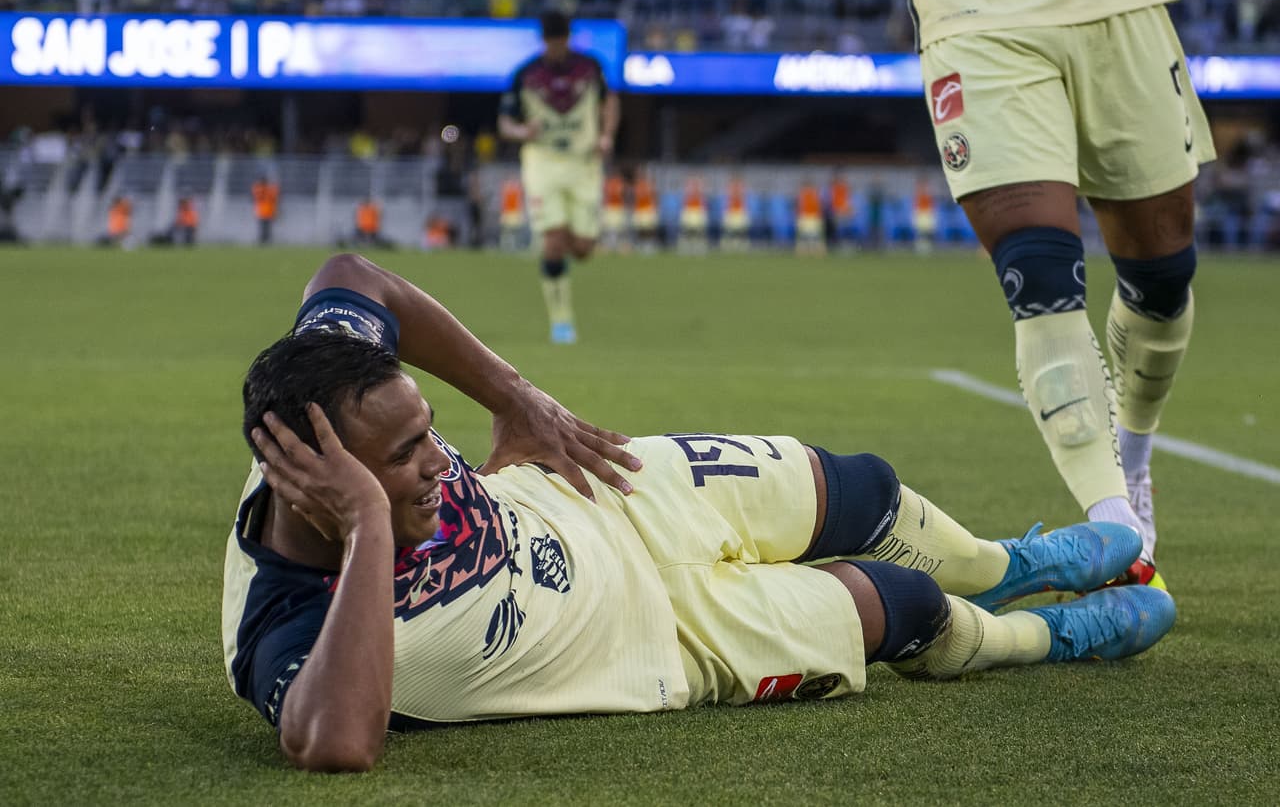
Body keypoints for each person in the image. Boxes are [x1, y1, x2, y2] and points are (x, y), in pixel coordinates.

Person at [224, 253, 1176, 773]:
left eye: (429, 433)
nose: (438, 461)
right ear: (321, 484)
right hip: (662, 642)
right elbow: (335, 743)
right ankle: (1050, 640)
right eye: (403, 459)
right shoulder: (282, 626)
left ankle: (1007, 565)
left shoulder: (318, 390)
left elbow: (353, 276)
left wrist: (512, 397)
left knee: (864, 488)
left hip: (604, 491)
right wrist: (368, 528)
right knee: (903, 609)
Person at [829, 0, 1214, 587]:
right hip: (978, 5)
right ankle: (1119, 528)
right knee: (1039, 280)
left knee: (1164, 278)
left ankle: (1133, 453)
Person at [498, 11, 620, 345]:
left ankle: (564, 238)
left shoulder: (591, 68)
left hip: (583, 163)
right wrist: (523, 130)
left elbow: (610, 103)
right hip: (543, 162)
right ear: (544, 41)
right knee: (553, 241)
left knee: (582, 249)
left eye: (561, 40)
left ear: (568, 38)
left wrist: (607, 134)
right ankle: (561, 321)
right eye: (552, 42)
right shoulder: (525, 74)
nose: (556, 47)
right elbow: (505, 123)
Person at [252, 176, 280, 245]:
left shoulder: (258, 188)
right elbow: (276, 196)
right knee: (267, 228)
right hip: (269, 210)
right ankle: (266, 241)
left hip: (261, 210)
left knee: (262, 227)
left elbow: (254, 196)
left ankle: (262, 241)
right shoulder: (270, 188)